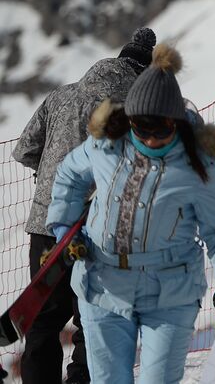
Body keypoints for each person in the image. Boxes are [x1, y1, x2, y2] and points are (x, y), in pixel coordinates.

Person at [47, 45, 215, 384]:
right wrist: (64, 222)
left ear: (176, 123)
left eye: (161, 129)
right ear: (129, 119)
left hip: (170, 290)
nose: (151, 138)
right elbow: (69, 174)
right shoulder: (107, 143)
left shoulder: (198, 161)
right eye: (142, 128)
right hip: (103, 284)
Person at [11, 27, 155, 384]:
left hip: (47, 227)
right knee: (94, 321)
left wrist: (48, 177)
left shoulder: (61, 95)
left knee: (43, 319)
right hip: (99, 233)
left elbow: (25, 150)